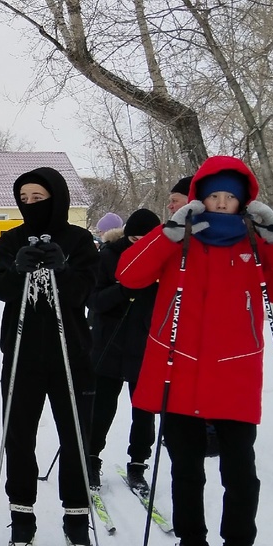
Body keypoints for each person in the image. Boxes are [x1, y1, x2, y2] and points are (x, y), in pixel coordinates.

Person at [118, 156, 273, 546]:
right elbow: (129, 275)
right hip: (178, 371)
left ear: (243, 202)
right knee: (186, 471)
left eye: (230, 198)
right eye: (213, 197)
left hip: (235, 376)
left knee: (241, 474)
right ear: (198, 199)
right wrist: (167, 233)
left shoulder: (257, 243)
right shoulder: (180, 241)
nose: (221, 204)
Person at [0, 168, 99, 546]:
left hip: (71, 356)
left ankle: (76, 519)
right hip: (22, 356)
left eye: (39, 197)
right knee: (19, 439)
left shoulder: (80, 239)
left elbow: (85, 292)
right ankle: (22, 517)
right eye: (26, 199)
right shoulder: (11, 238)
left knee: (74, 440)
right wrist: (17, 268)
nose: (32, 205)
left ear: (57, 197)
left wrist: (63, 268)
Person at [85, 209, 160, 493]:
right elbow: (94, 300)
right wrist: (125, 288)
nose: (140, 243)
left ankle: (138, 465)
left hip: (146, 345)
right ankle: (92, 460)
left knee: (144, 411)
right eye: (134, 237)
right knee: (102, 407)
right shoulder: (107, 256)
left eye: (147, 239)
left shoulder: (162, 259)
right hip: (109, 343)